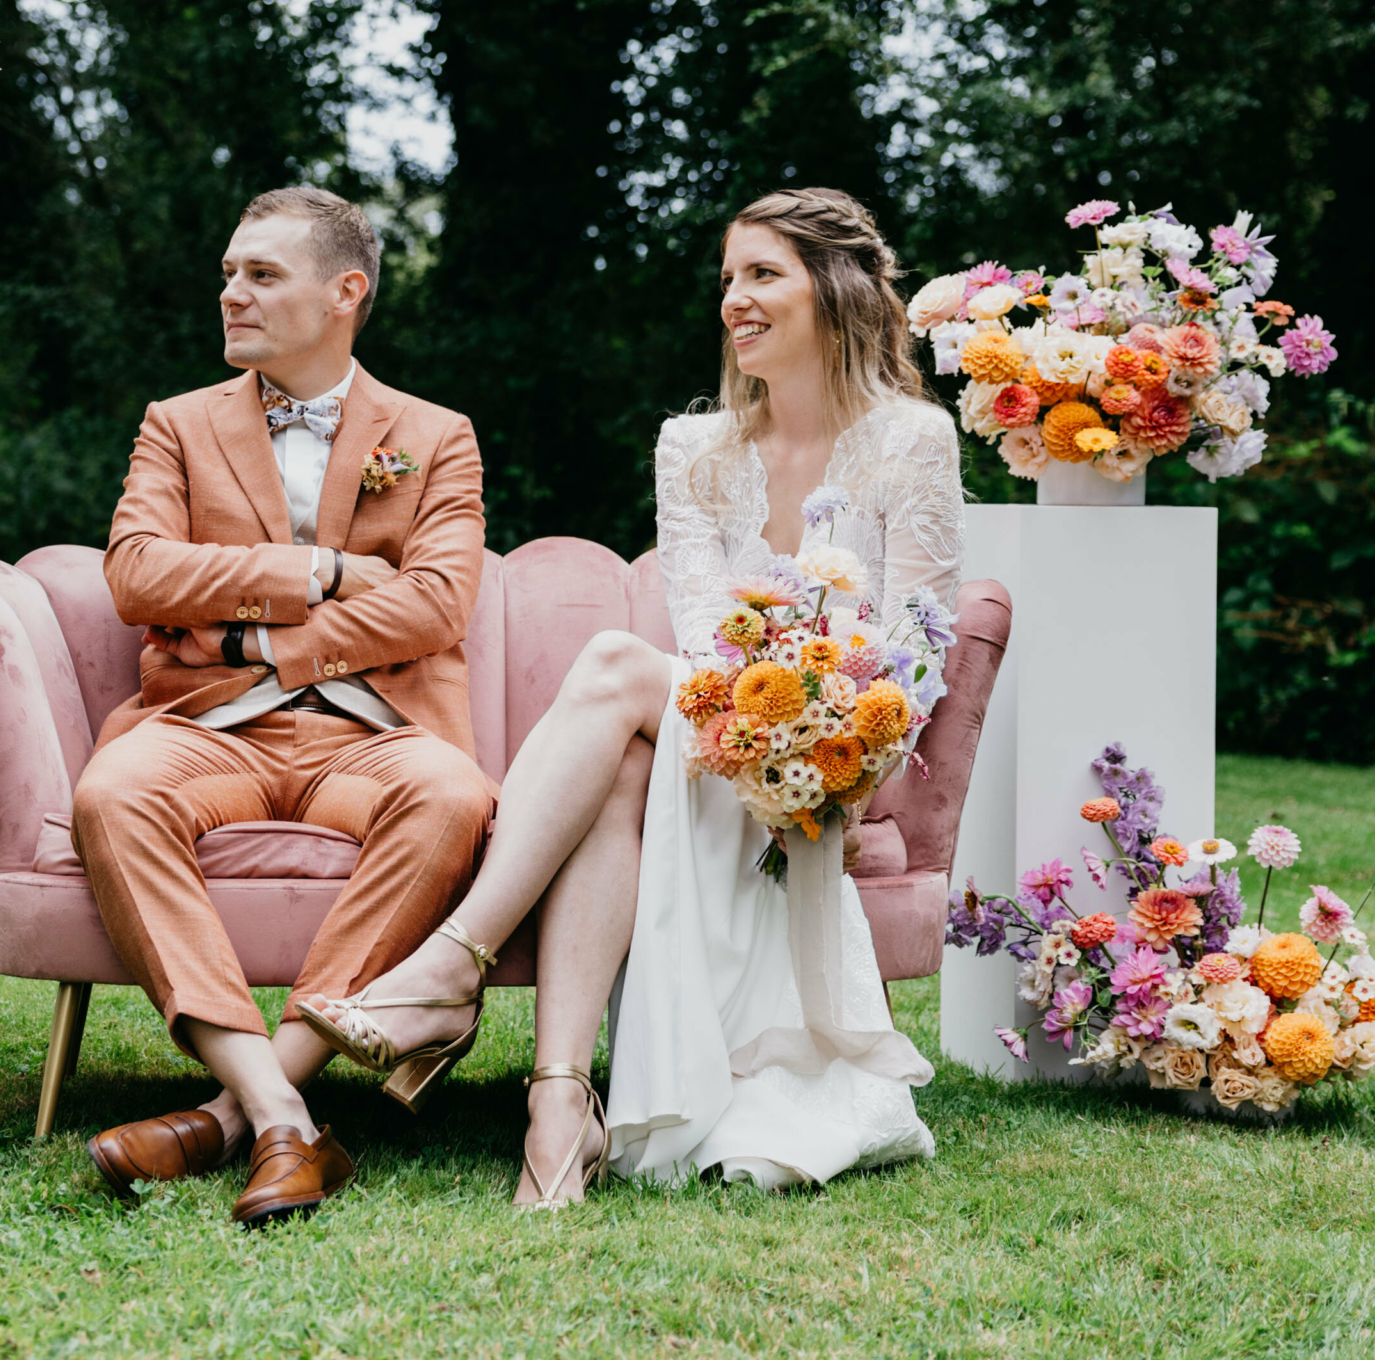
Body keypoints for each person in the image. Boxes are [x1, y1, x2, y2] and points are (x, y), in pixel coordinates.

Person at [305, 188, 961, 1206]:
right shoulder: (694, 450)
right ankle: (556, 1105)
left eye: (763, 273)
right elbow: (707, 644)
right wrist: (757, 736)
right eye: (727, 278)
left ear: (835, 289)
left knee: (617, 663)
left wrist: (834, 766)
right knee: (623, 762)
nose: (733, 299)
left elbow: (916, 651)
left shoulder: (912, 439)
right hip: (722, 741)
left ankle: (452, 973)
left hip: (829, 771)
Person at [72, 185, 501, 1227]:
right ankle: (281, 1116)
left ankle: (232, 1115)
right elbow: (136, 573)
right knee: (113, 794)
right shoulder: (177, 424)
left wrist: (256, 636)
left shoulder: (436, 435)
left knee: (451, 797)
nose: (233, 293)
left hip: (375, 734)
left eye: (262, 274)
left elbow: (438, 601)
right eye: (229, 273)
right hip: (206, 727)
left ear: (344, 292)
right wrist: (320, 571)